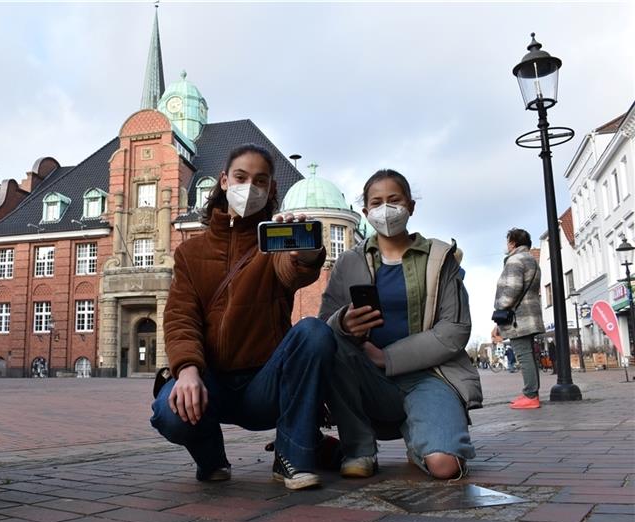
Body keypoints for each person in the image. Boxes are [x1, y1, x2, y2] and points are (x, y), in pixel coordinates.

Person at [150, 143, 335, 490]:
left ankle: (291, 457)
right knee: (168, 412)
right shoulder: (190, 253)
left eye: (260, 180)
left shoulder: (273, 244)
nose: (250, 187)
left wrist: (306, 256)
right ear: (224, 181)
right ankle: (211, 460)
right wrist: (187, 370)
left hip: (265, 385)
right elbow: (180, 316)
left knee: (314, 332)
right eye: (241, 177)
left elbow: (291, 272)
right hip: (211, 384)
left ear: (271, 189)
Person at [319, 169, 482, 481]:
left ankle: (420, 436)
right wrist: (343, 323)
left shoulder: (440, 258)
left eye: (394, 200)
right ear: (365, 212)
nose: (386, 209)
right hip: (367, 377)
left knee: (445, 466)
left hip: (429, 377)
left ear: (411, 206)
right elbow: (322, 326)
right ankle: (358, 450)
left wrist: (387, 357)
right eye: (376, 203)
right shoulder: (349, 262)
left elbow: (455, 330)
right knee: (329, 343)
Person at [493, 228, 544, 409]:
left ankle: (531, 395)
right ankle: (531, 392)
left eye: (508, 242)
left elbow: (513, 288)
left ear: (513, 243)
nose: (507, 246)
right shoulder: (532, 260)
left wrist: (500, 306)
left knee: (523, 355)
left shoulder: (515, 260)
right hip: (531, 314)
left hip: (519, 317)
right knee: (528, 354)